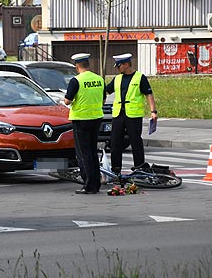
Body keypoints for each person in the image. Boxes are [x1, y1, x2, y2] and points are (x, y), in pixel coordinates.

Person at [105, 53, 158, 176]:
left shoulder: (140, 77)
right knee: (115, 142)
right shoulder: (117, 78)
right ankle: (115, 169)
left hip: (133, 115)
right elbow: (106, 91)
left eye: (119, 66)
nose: (117, 68)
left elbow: (148, 94)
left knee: (135, 142)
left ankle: (139, 168)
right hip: (118, 114)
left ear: (126, 64)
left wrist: (153, 111)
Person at [64, 53, 105, 194]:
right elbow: (103, 99)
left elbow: (67, 101)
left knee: (83, 154)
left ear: (77, 66)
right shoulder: (99, 79)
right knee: (93, 152)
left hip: (81, 120)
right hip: (97, 118)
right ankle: (96, 183)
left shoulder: (76, 81)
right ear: (88, 64)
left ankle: (89, 185)